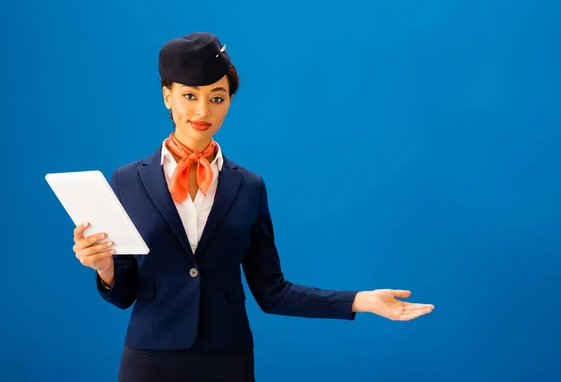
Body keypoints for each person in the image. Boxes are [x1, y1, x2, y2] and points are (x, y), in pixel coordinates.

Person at [71, 32, 435, 382]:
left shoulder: (249, 186)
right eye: (189, 96)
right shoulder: (127, 180)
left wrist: (361, 301)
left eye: (217, 97)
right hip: (150, 360)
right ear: (167, 97)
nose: (202, 110)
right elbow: (123, 295)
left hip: (227, 361)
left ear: (229, 101)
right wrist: (104, 268)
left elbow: (272, 291)